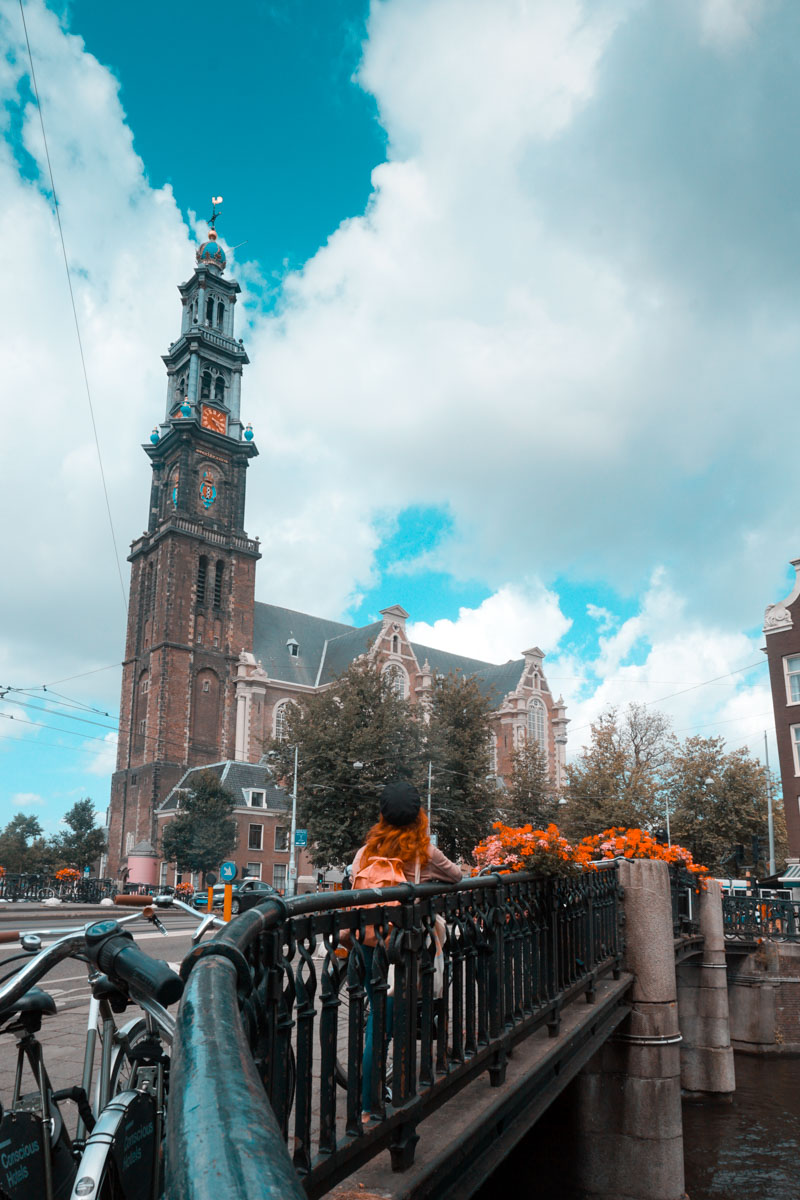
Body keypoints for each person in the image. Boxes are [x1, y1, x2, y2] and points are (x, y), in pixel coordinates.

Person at [350, 779, 460, 1122]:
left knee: (376, 1017)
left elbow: (354, 878)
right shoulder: (423, 852)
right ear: (418, 817)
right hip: (401, 949)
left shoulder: (367, 851)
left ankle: (373, 1094)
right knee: (381, 1027)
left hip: (367, 943)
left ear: (382, 815)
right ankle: (370, 1106)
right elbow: (456, 876)